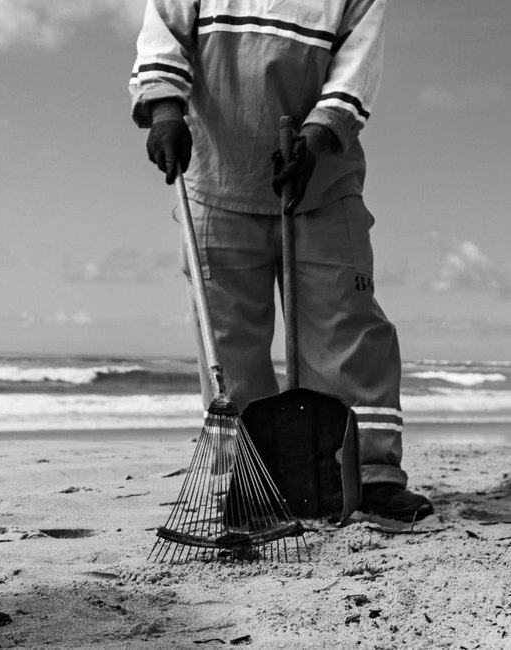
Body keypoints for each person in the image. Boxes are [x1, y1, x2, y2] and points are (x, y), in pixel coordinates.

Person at [128, 0, 433, 521]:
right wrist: (164, 110)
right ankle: (253, 480)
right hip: (215, 179)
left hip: (321, 181)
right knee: (227, 342)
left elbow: (356, 65)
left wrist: (316, 135)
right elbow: (164, 34)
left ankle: (368, 476)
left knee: (346, 328)